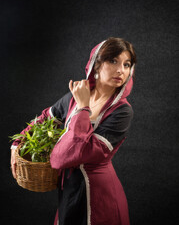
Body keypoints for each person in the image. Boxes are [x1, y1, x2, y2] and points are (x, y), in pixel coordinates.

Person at [11, 37, 137, 225]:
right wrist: (16, 145)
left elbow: (79, 152)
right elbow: (45, 118)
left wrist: (83, 107)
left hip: (99, 192)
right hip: (69, 189)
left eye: (127, 65)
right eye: (113, 61)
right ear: (96, 65)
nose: (121, 70)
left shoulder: (122, 111)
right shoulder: (74, 97)